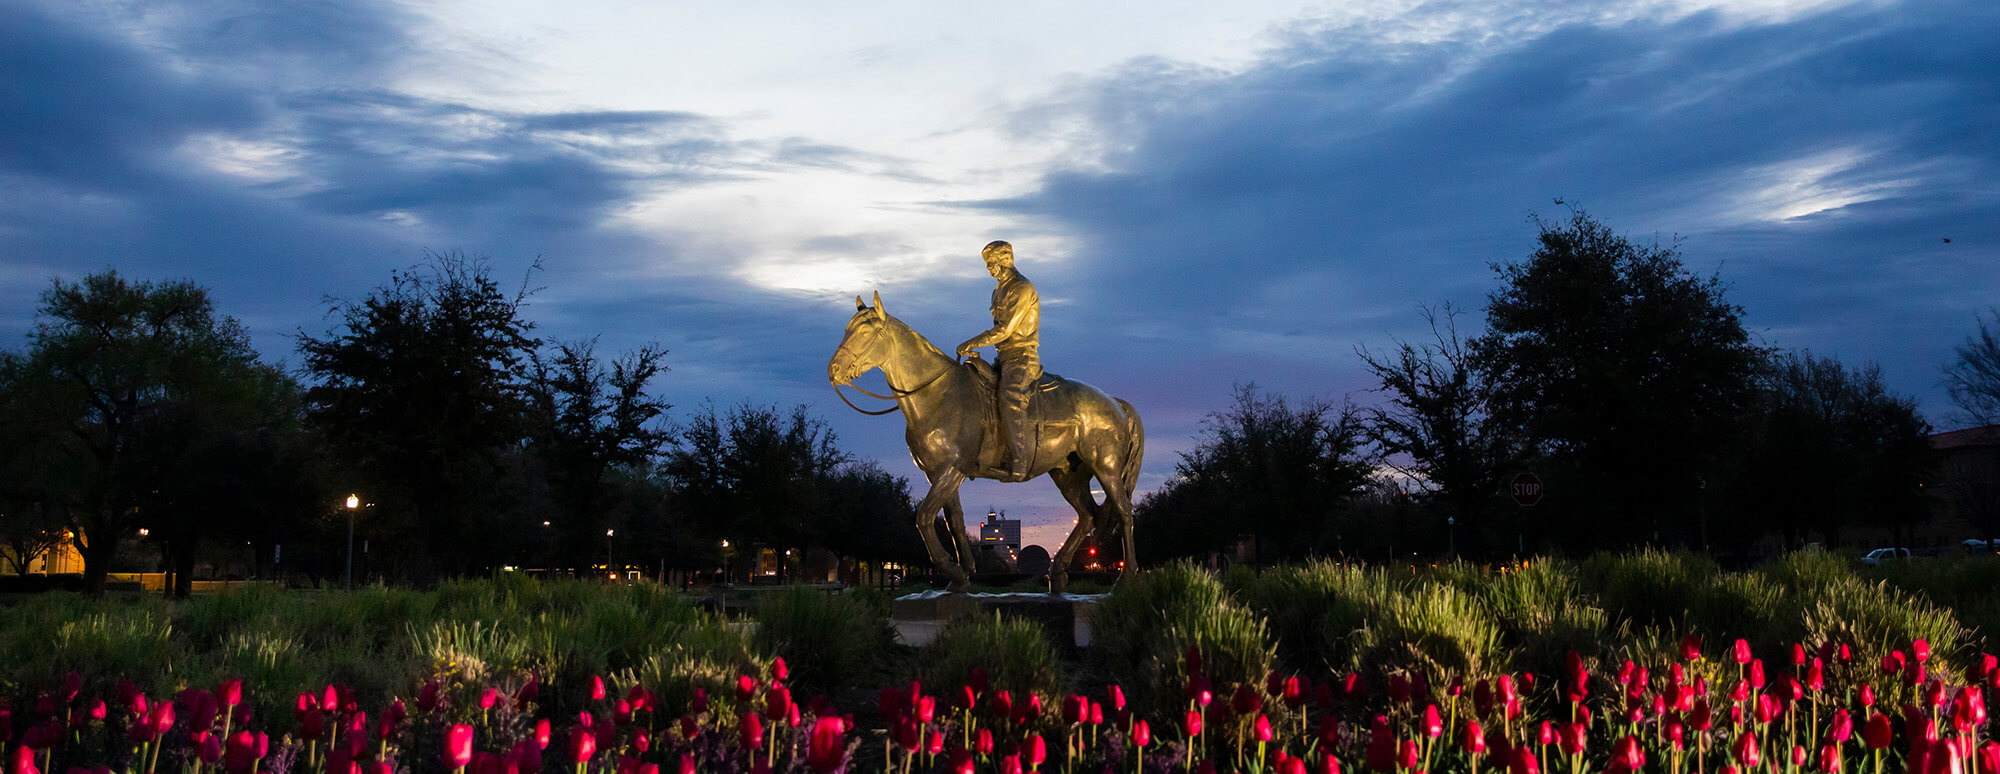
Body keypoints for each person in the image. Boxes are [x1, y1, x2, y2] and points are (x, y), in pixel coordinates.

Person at [955, 240, 1042, 479]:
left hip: (1022, 358)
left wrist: (973, 342)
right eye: (986, 263)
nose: (988, 267)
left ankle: (1019, 463)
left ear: (1004, 260)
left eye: (991, 262)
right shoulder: (998, 291)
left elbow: (1005, 329)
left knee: (1010, 397)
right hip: (1003, 359)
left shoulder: (1021, 287)